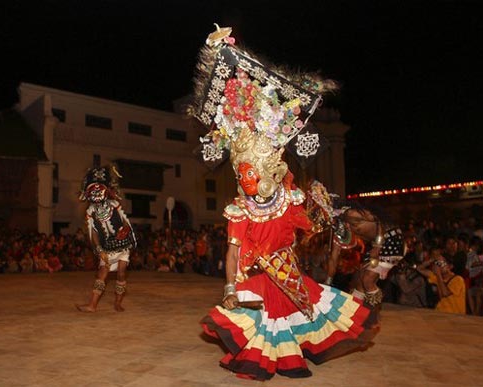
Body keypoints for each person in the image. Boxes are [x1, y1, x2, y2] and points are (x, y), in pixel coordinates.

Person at [190, 26, 377, 379]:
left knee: (294, 315)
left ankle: (287, 357)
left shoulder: (289, 199)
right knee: (258, 321)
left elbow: (307, 230)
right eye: (242, 177)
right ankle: (272, 357)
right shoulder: (239, 209)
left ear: (271, 171)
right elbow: (232, 253)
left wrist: (322, 214)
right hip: (258, 275)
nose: (247, 184)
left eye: (253, 176)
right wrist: (229, 287)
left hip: (287, 272)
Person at [76, 165, 136, 312]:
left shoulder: (115, 205)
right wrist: (98, 249)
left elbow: (126, 223)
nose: (96, 192)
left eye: (99, 188)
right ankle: (92, 305)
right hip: (107, 247)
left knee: (121, 274)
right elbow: (93, 233)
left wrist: (126, 231)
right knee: (102, 273)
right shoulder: (90, 211)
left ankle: (118, 303)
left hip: (123, 245)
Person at [416, 247, 466, 314]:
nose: (439, 266)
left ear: (450, 266)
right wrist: (432, 260)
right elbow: (419, 269)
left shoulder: (458, 280)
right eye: (438, 263)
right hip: (441, 311)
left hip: (454, 314)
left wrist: (438, 274)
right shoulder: (437, 277)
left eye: (442, 263)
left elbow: (445, 293)